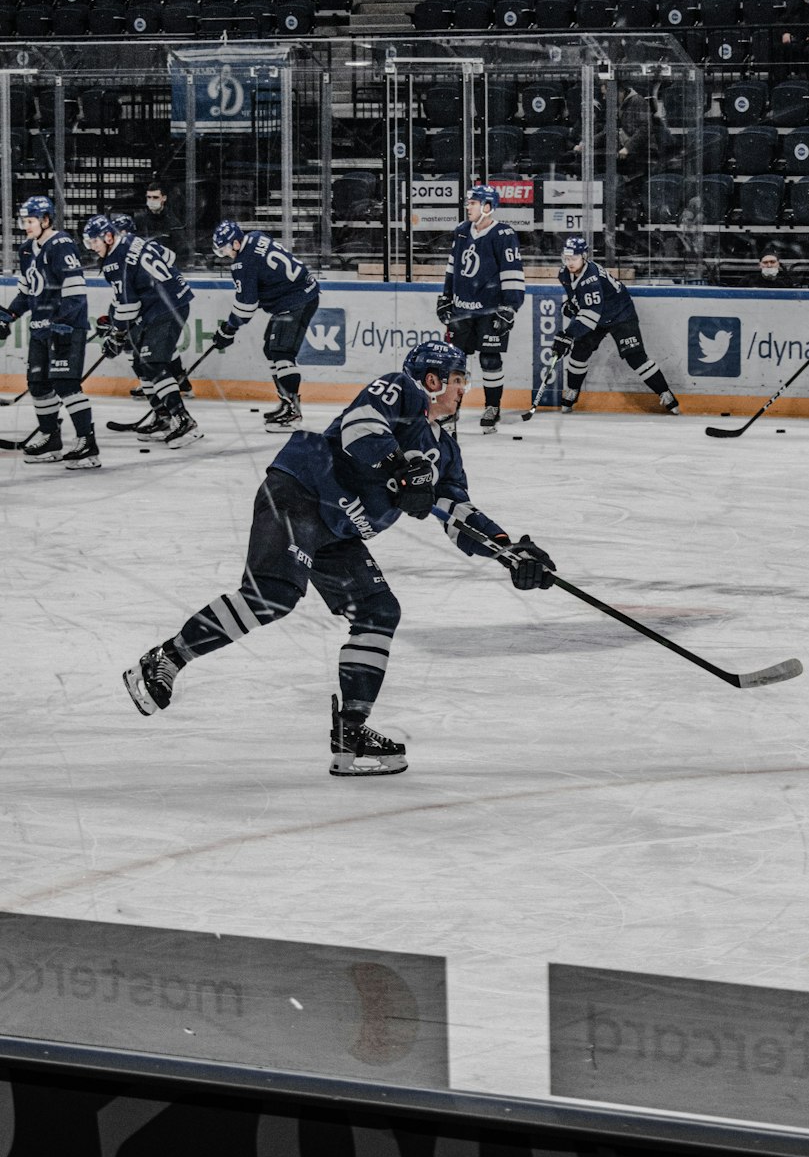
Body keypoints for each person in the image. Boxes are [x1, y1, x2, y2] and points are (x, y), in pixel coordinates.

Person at [122, 340, 556, 776]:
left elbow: (457, 512)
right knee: (273, 594)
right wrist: (400, 468)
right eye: (459, 380)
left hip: (337, 530)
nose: (465, 390)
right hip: (302, 490)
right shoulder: (401, 390)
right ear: (433, 380)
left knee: (378, 610)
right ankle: (166, 658)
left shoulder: (445, 452)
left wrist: (508, 550)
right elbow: (359, 428)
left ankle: (351, 730)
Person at [84, 216, 201, 449]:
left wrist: (117, 334)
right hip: (165, 303)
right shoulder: (132, 240)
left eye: (95, 242)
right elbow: (169, 257)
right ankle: (163, 416)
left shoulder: (114, 262)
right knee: (141, 363)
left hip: (165, 308)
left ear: (108, 237)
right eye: (88, 243)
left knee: (153, 363)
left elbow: (129, 306)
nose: (93, 247)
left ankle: (183, 420)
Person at [0, 196, 100, 468]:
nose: (26, 226)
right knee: (38, 385)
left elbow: (76, 291)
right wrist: (8, 315)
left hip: (66, 329)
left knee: (66, 385)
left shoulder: (62, 244)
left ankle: (87, 443)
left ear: (46, 220)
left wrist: (61, 322)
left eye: (30, 221)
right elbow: (25, 292)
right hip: (40, 331)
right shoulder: (26, 250)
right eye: (24, 221)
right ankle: (51, 438)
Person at [210, 221, 320, 431]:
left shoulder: (243, 263)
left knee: (282, 353)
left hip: (295, 301)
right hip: (299, 295)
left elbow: (246, 307)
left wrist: (228, 329)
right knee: (270, 349)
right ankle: (286, 402)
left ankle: (292, 412)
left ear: (235, 243)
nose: (225, 255)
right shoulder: (255, 236)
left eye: (225, 250)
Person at [554, 237, 679, 414]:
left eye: (573, 259)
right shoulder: (564, 274)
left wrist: (568, 335)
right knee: (578, 352)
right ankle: (572, 390)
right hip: (597, 316)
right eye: (566, 259)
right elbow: (577, 301)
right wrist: (571, 306)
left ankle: (665, 393)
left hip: (621, 314)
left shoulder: (591, 278)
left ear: (584, 256)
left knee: (635, 357)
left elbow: (590, 314)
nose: (569, 263)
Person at [438, 183, 525, 434]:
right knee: (456, 362)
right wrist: (446, 297)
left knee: (490, 359)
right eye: (468, 203)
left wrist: (510, 306)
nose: (468, 207)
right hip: (462, 309)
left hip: (490, 309)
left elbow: (512, 272)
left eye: (473, 203)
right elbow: (452, 267)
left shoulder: (504, 235)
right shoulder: (462, 231)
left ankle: (492, 407)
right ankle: (452, 408)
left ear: (487, 207)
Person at [135, 179, 189, 266]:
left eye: (155, 197)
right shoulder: (139, 221)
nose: (151, 200)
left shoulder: (173, 222)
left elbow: (183, 251)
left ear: (164, 198)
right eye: (149, 197)